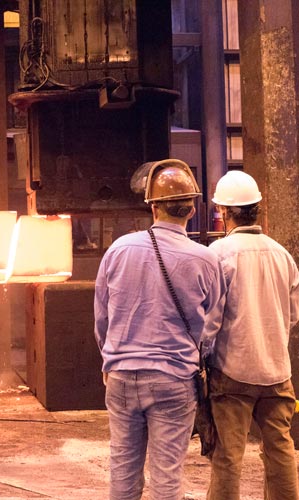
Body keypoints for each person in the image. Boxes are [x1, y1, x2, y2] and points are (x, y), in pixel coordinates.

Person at [94, 159, 226, 500]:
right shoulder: (205, 259)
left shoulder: (119, 249)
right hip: (174, 380)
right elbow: (211, 325)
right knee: (166, 477)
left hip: (122, 376)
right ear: (193, 207)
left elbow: (102, 318)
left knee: (122, 471)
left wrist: (110, 360)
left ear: (152, 206)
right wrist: (200, 357)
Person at [207, 170, 299, 500]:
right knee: (281, 452)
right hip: (277, 373)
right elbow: (292, 317)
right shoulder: (282, 255)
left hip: (233, 373)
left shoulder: (219, 255)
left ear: (223, 212)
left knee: (229, 457)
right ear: (257, 208)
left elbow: (210, 322)